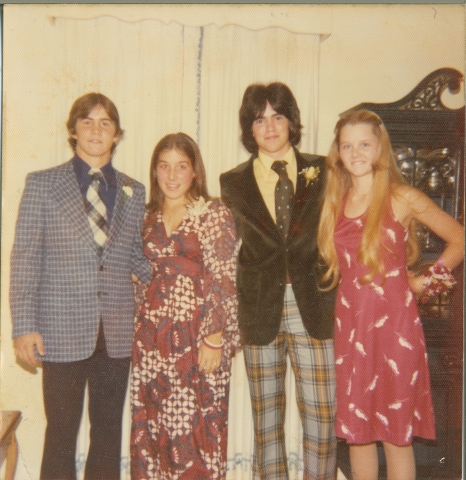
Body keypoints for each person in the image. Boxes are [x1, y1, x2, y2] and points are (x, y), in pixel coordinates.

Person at [9, 92, 151, 480]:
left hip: (117, 332)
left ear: (117, 135)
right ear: (72, 131)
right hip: (60, 329)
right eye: (87, 121)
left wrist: (182, 273)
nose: (96, 130)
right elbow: (25, 257)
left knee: (107, 433)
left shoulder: (133, 190)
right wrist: (23, 325)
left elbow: (138, 256)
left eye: (105, 122)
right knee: (61, 433)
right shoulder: (42, 184)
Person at [317, 109, 464, 480]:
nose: (356, 152)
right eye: (347, 145)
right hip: (351, 327)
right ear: (338, 151)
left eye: (364, 143)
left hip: (396, 329)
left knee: (396, 436)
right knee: (358, 436)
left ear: (380, 147)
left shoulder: (402, 197)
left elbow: (459, 239)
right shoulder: (336, 200)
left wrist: (424, 283)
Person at [220, 82, 337, 480]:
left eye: (278, 116)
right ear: (249, 128)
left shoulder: (324, 170)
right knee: (266, 424)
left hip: (315, 305)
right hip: (259, 308)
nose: (269, 127)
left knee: (322, 419)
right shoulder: (231, 182)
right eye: (259, 119)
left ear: (291, 122)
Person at [130, 132, 240, 479]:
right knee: (155, 429)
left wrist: (215, 337)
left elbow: (224, 276)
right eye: (164, 166)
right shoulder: (146, 216)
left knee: (198, 431)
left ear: (195, 172)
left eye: (181, 166)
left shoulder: (213, 212)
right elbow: (139, 277)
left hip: (198, 337)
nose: (172, 175)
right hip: (151, 342)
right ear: (155, 171)